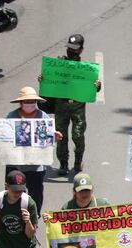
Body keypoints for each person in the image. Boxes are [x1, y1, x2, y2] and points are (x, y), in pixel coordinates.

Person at [0, 87, 63, 216]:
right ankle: (15, 217)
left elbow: (48, 138)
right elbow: (4, 136)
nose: (30, 103)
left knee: (36, 193)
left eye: (32, 101)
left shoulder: (43, 116)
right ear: (21, 103)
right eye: (27, 101)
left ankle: (34, 217)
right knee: (13, 193)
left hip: (36, 165)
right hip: (15, 165)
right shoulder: (11, 116)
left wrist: (55, 137)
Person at [50, 34, 101, 175]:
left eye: (74, 49)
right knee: (61, 136)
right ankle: (63, 163)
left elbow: (93, 87)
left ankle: (78, 161)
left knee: (77, 135)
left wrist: (97, 85)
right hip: (61, 105)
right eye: (69, 48)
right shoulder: (59, 64)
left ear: (81, 50)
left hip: (77, 106)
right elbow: (49, 82)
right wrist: (43, 78)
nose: (71, 51)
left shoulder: (86, 69)